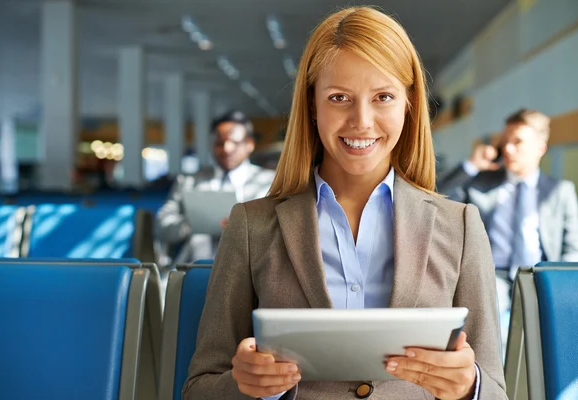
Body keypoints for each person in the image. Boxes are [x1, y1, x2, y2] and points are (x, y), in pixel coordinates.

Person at [183, 7, 506, 400]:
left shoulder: (461, 227)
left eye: (383, 97)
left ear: (408, 104)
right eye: (339, 98)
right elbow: (200, 388)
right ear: (312, 107)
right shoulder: (252, 226)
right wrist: (248, 387)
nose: (362, 121)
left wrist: (469, 386)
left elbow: (494, 390)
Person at [438, 108, 578, 343]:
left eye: (518, 142)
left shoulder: (559, 191)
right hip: (493, 275)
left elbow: (572, 246)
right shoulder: (481, 183)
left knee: (549, 340)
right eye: (505, 142)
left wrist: (557, 284)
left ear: (540, 148)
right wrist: (472, 165)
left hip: (540, 275)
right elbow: (434, 197)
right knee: (488, 334)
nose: (508, 149)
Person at [156, 110, 275, 263]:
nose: (227, 149)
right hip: (194, 266)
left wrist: (244, 228)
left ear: (249, 144)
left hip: (247, 269)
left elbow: (278, 231)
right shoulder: (188, 182)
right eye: (220, 143)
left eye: (235, 143)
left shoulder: (268, 183)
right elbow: (162, 226)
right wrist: (191, 223)